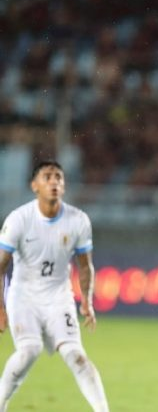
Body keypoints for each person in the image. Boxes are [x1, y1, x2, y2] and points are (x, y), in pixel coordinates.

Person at [0, 161, 109, 412]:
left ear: (64, 185)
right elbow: (1, 266)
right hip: (23, 296)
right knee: (30, 349)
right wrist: (2, 308)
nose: (54, 182)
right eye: (47, 177)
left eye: (58, 177)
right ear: (34, 185)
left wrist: (87, 302)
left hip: (59, 296)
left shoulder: (78, 220)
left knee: (76, 355)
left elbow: (85, 266)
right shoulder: (19, 219)